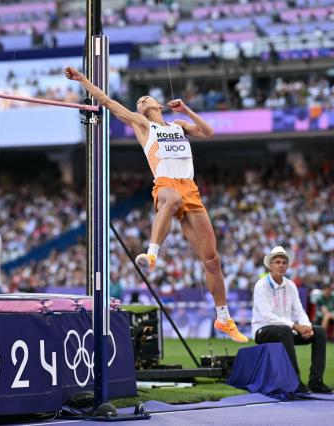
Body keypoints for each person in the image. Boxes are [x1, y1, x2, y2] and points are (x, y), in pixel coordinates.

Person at [64, 66, 248, 343]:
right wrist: (83, 80)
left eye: (146, 98)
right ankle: (151, 254)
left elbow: (208, 132)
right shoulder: (142, 124)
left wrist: (186, 110)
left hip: (191, 190)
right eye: (139, 100)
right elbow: (109, 102)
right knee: (171, 199)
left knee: (212, 260)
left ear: (158, 104)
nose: (141, 101)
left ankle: (223, 318)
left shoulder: (178, 126)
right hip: (165, 183)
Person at [252, 246, 332, 394]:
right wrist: (295, 326)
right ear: (270, 266)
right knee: (284, 330)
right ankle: (293, 382)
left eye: (284, 262)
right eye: (277, 262)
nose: (281, 265)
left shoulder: (291, 285)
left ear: (287, 266)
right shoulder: (261, 285)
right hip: (262, 330)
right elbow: (267, 316)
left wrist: (307, 327)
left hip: (287, 331)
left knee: (319, 332)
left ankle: (316, 381)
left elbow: (299, 311)